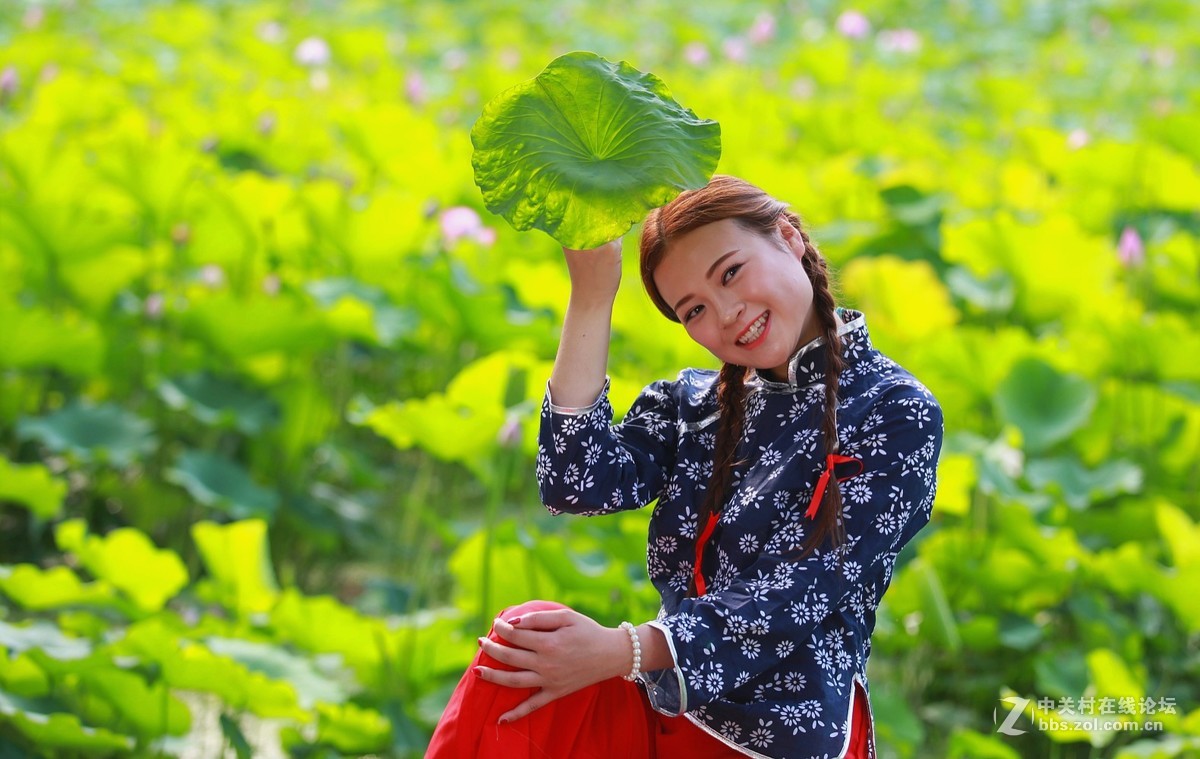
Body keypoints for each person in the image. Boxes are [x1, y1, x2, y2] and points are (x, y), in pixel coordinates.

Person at [427, 175, 944, 758]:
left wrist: (626, 650)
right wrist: (593, 294)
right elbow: (576, 482)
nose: (726, 314)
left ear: (788, 236)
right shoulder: (695, 405)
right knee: (526, 634)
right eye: (693, 308)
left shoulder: (895, 410)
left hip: (783, 739)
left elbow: (811, 588)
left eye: (730, 273)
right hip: (664, 710)